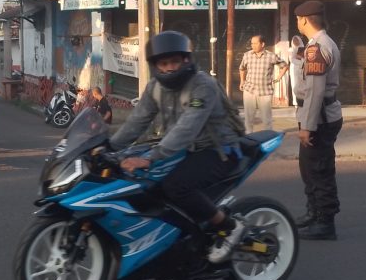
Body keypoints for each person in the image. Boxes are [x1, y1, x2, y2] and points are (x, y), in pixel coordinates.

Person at [108, 31, 246, 263]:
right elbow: (136, 122)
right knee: (144, 184)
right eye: (164, 63)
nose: (170, 68)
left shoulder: (203, 86)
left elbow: (188, 126)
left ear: (186, 60)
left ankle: (229, 226)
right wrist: (108, 147)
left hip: (219, 150)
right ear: (155, 66)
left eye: (174, 61)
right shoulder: (155, 87)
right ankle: (175, 238)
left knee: (176, 186)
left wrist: (152, 156)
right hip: (184, 149)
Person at [293, 1, 343, 240]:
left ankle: (325, 222)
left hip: (319, 118)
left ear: (304, 20)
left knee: (319, 169)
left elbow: (314, 90)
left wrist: (307, 126)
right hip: (319, 115)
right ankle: (313, 213)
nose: (297, 23)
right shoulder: (317, 45)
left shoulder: (317, 48)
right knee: (309, 168)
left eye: (298, 20)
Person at [238, 34, 289, 133]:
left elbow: (285, 66)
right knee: (249, 118)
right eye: (252, 43)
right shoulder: (247, 55)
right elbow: (242, 68)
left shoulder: (271, 56)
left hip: (265, 92)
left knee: (267, 119)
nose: (252, 45)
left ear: (262, 44)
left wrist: (278, 78)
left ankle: (268, 137)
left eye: (255, 43)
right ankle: (249, 138)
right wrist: (242, 81)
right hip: (249, 90)